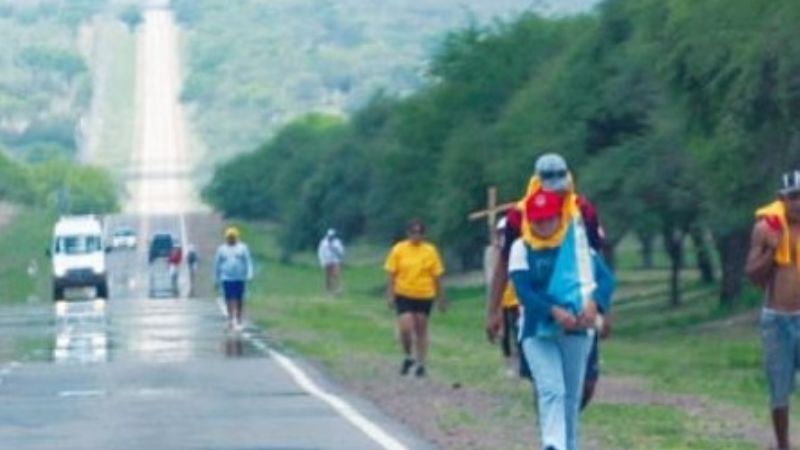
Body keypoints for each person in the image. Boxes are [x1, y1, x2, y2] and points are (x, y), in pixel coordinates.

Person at [486, 153, 610, 408]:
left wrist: (603, 307)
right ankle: (554, 437)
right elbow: (502, 263)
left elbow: (597, 261)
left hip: (578, 303)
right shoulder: (518, 217)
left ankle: (563, 426)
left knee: (585, 386)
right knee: (547, 384)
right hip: (537, 304)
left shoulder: (583, 211)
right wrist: (493, 310)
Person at [508, 188, 614, 450]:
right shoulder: (521, 248)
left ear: (559, 217)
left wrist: (594, 304)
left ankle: (568, 444)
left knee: (571, 396)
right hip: (536, 330)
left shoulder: (575, 246)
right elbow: (525, 293)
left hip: (577, 330)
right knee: (551, 388)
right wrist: (553, 312)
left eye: (549, 218)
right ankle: (552, 444)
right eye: (537, 219)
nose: (544, 224)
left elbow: (605, 279)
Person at [746, 170, 800, 450]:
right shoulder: (766, 229)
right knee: (779, 389)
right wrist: (771, 252)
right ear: (782, 198)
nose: (798, 204)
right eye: (793, 197)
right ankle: (783, 445)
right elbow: (753, 276)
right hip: (777, 319)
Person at [384, 219, 447, 377]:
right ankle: (408, 355)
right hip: (404, 292)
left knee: (421, 327)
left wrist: (441, 298)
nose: (416, 235)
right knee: (406, 327)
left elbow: (437, 276)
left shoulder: (430, 251)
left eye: (419, 232)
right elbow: (391, 273)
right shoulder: (399, 249)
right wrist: (390, 294)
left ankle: (421, 363)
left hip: (424, 293)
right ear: (408, 234)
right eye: (413, 232)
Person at [214, 226, 253, 332]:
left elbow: (248, 262)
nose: (231, 239)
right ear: (226, 238)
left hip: (240, 278)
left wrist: (249, 274)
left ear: (236, 237)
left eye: (233, 237)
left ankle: (239, 318)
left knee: (239, 299)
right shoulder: (221, 249)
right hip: (226, 278)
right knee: (229, 299)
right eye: (229, 237)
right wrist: (216, 279)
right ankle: (231, 319)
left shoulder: (243, 248)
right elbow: (217, 264)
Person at [317, 228, 345, 295]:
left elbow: (341, 251)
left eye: (332, 236)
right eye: (330, 236)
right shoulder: (323, 242)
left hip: (335, 260)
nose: (331, 237)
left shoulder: (337, 242)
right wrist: (322, 261)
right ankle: (328, 290)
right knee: (328, 276)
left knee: (336, 274)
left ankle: (337, 288)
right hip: (327, 261)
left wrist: (340, 256)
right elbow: (320, 252)